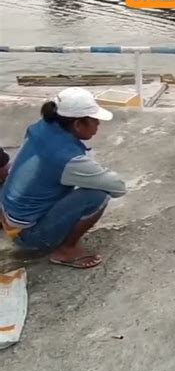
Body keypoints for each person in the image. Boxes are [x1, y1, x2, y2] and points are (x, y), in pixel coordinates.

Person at [0, 87, 126, 269]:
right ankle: (66, 251)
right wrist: (90, 172)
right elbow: (118, 187)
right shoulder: (69, 159)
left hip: (8, 210)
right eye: (94, 120)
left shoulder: (41, 128)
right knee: (97, 195)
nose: (98, 125)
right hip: (26, 234)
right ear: (77, 125)